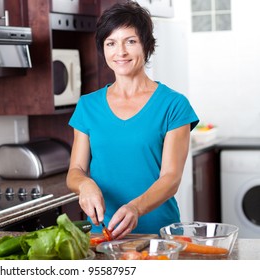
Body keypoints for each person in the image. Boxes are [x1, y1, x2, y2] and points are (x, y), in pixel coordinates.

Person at [66, 1, 199, 239]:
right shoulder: (88, 106)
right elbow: (75, 170)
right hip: (102, 236)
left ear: (147, 46)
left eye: (130, 41)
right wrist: (84, 185)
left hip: (159, 236)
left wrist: (135, 208)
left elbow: (170, 178)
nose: (121, 52)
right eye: (111, 43)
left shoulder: (174, 105)